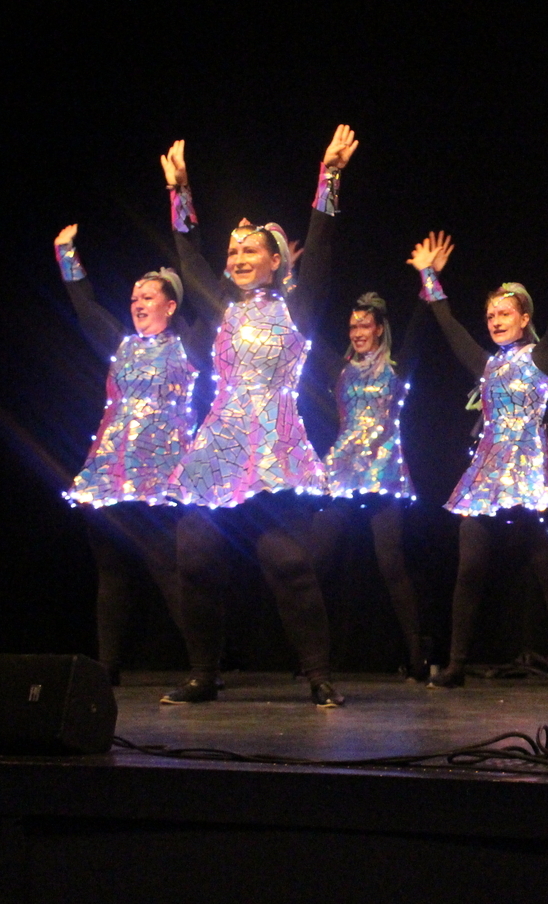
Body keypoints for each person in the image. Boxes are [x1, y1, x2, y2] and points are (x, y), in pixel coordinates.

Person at [159, 128, 357, 707]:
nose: (239, 259)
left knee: (289, 564)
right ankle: (204, 676)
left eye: (251, 252)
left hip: (275, 448)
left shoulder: (298, 306)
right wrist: (180, 192)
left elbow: (321, 243)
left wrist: (329, 176)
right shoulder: (220, 306)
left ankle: (318, 676)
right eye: (234, 253)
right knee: (194, 560)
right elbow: (188, 255)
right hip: (219, 448)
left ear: (275, 261)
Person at [410, 226, 548, 690]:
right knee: (469, 567)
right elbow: (451, 328)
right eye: (490, 314)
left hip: (529, 475)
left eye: (504, 313)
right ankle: (456, 665)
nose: (495, 320)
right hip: (487, 475)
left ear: (524, 317)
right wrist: (429, 277)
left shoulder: (541, 358)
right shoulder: (487, 365)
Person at [54, 224, 196, 684]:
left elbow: (214, 300)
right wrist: (66, 254)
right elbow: (85, 307)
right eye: (134, 297)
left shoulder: (188, 347)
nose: (137, 302)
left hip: (160, 477)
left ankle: (204, 667)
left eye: (148, 296)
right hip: (110, 473)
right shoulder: (121, 344)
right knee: (111, 570)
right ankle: (107, 667)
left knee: (167, 567)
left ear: (170, 306)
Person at [311, 291, 428, 680]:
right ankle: (313, 658)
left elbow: (416, 333)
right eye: (352, 327)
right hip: (343, 472)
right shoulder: (341, 369)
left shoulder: (396, 368)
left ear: (379, 329)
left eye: (364, 325)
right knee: (316, 559)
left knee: (391, 563)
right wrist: (288, 282)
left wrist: (427, 282)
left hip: (383, 472)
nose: (357, 332)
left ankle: (417, 657)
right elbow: (305, 330)